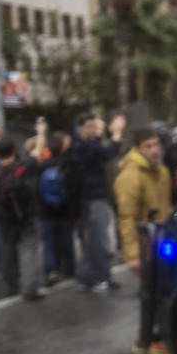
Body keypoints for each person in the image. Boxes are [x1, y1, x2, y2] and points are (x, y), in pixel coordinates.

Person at [113, 127, 173, 354]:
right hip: (144, 242)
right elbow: (126, 217)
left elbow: (168, 208)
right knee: (153, 291)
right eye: (148, 146)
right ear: (137, 149)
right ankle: (150, 338)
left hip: (163, 239)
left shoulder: (163, 171)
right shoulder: (130, 176)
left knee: (159, 289)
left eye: (156, 144)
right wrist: (132, 255)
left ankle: (148, 337)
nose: (155, 150)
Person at [0, 121, 47, 301]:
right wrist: (41, 132)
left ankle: (11, 287)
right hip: (27, 215)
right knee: (29, 251)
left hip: (5, 217)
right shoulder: (24, 166)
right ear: (14, 151)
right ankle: (30, 288)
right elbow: (38, 151)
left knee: (8, 252)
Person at [71, 112, 126, 293]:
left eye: (95, 127)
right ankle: (102, 279)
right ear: (80, 128)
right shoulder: (83, 147)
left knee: (90, 241)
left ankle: (86, 279)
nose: (94, 131)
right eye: (90, 127)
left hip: (86, 201)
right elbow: (109, 152)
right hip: (94, 200)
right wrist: (116, 133)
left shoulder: (82, 145)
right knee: (100, 241)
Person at [37, 131, 75, 285]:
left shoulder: (41, 165)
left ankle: (52, 270)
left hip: (46, 210)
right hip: (64, 209)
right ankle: (69, 270)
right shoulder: (67, 163)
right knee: (66, 241)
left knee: (49, 242)